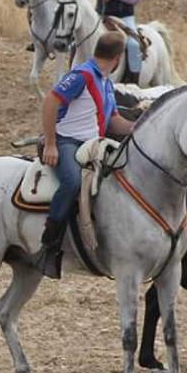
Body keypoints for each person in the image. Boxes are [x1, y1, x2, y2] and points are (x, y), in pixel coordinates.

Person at [29, 32, 135, 279]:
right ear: (118, 58)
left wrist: (138, 126)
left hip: (93, 144)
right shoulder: (82, 76)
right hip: (67, 142)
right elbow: (50, 103)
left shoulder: (106, 82)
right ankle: (48, 246)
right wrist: (52, 144)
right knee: (72, 182)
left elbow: (113, 121)